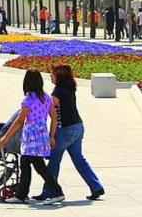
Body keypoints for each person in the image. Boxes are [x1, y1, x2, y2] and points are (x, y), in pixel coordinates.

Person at [35, 64, 104, 202]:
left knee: (54, 161)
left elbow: (50, 110)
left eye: (52, 74)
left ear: (59, 76)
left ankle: (49, 191)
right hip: (78, 127)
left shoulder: (58, 92)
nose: (50, 76)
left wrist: (51, 135)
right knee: (79, 159)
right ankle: (96, 186)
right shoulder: (69, 88)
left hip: (65, 130)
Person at [0, 69, 64, 204]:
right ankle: (21, 194)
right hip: (41, 134)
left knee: (39, 166)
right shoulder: (47, 98)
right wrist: (51, 136)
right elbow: (54, 118)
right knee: (25, 163)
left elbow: (19, 121)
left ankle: (57, 192)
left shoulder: (28, 100)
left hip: (31, 136)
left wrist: (6, 137)